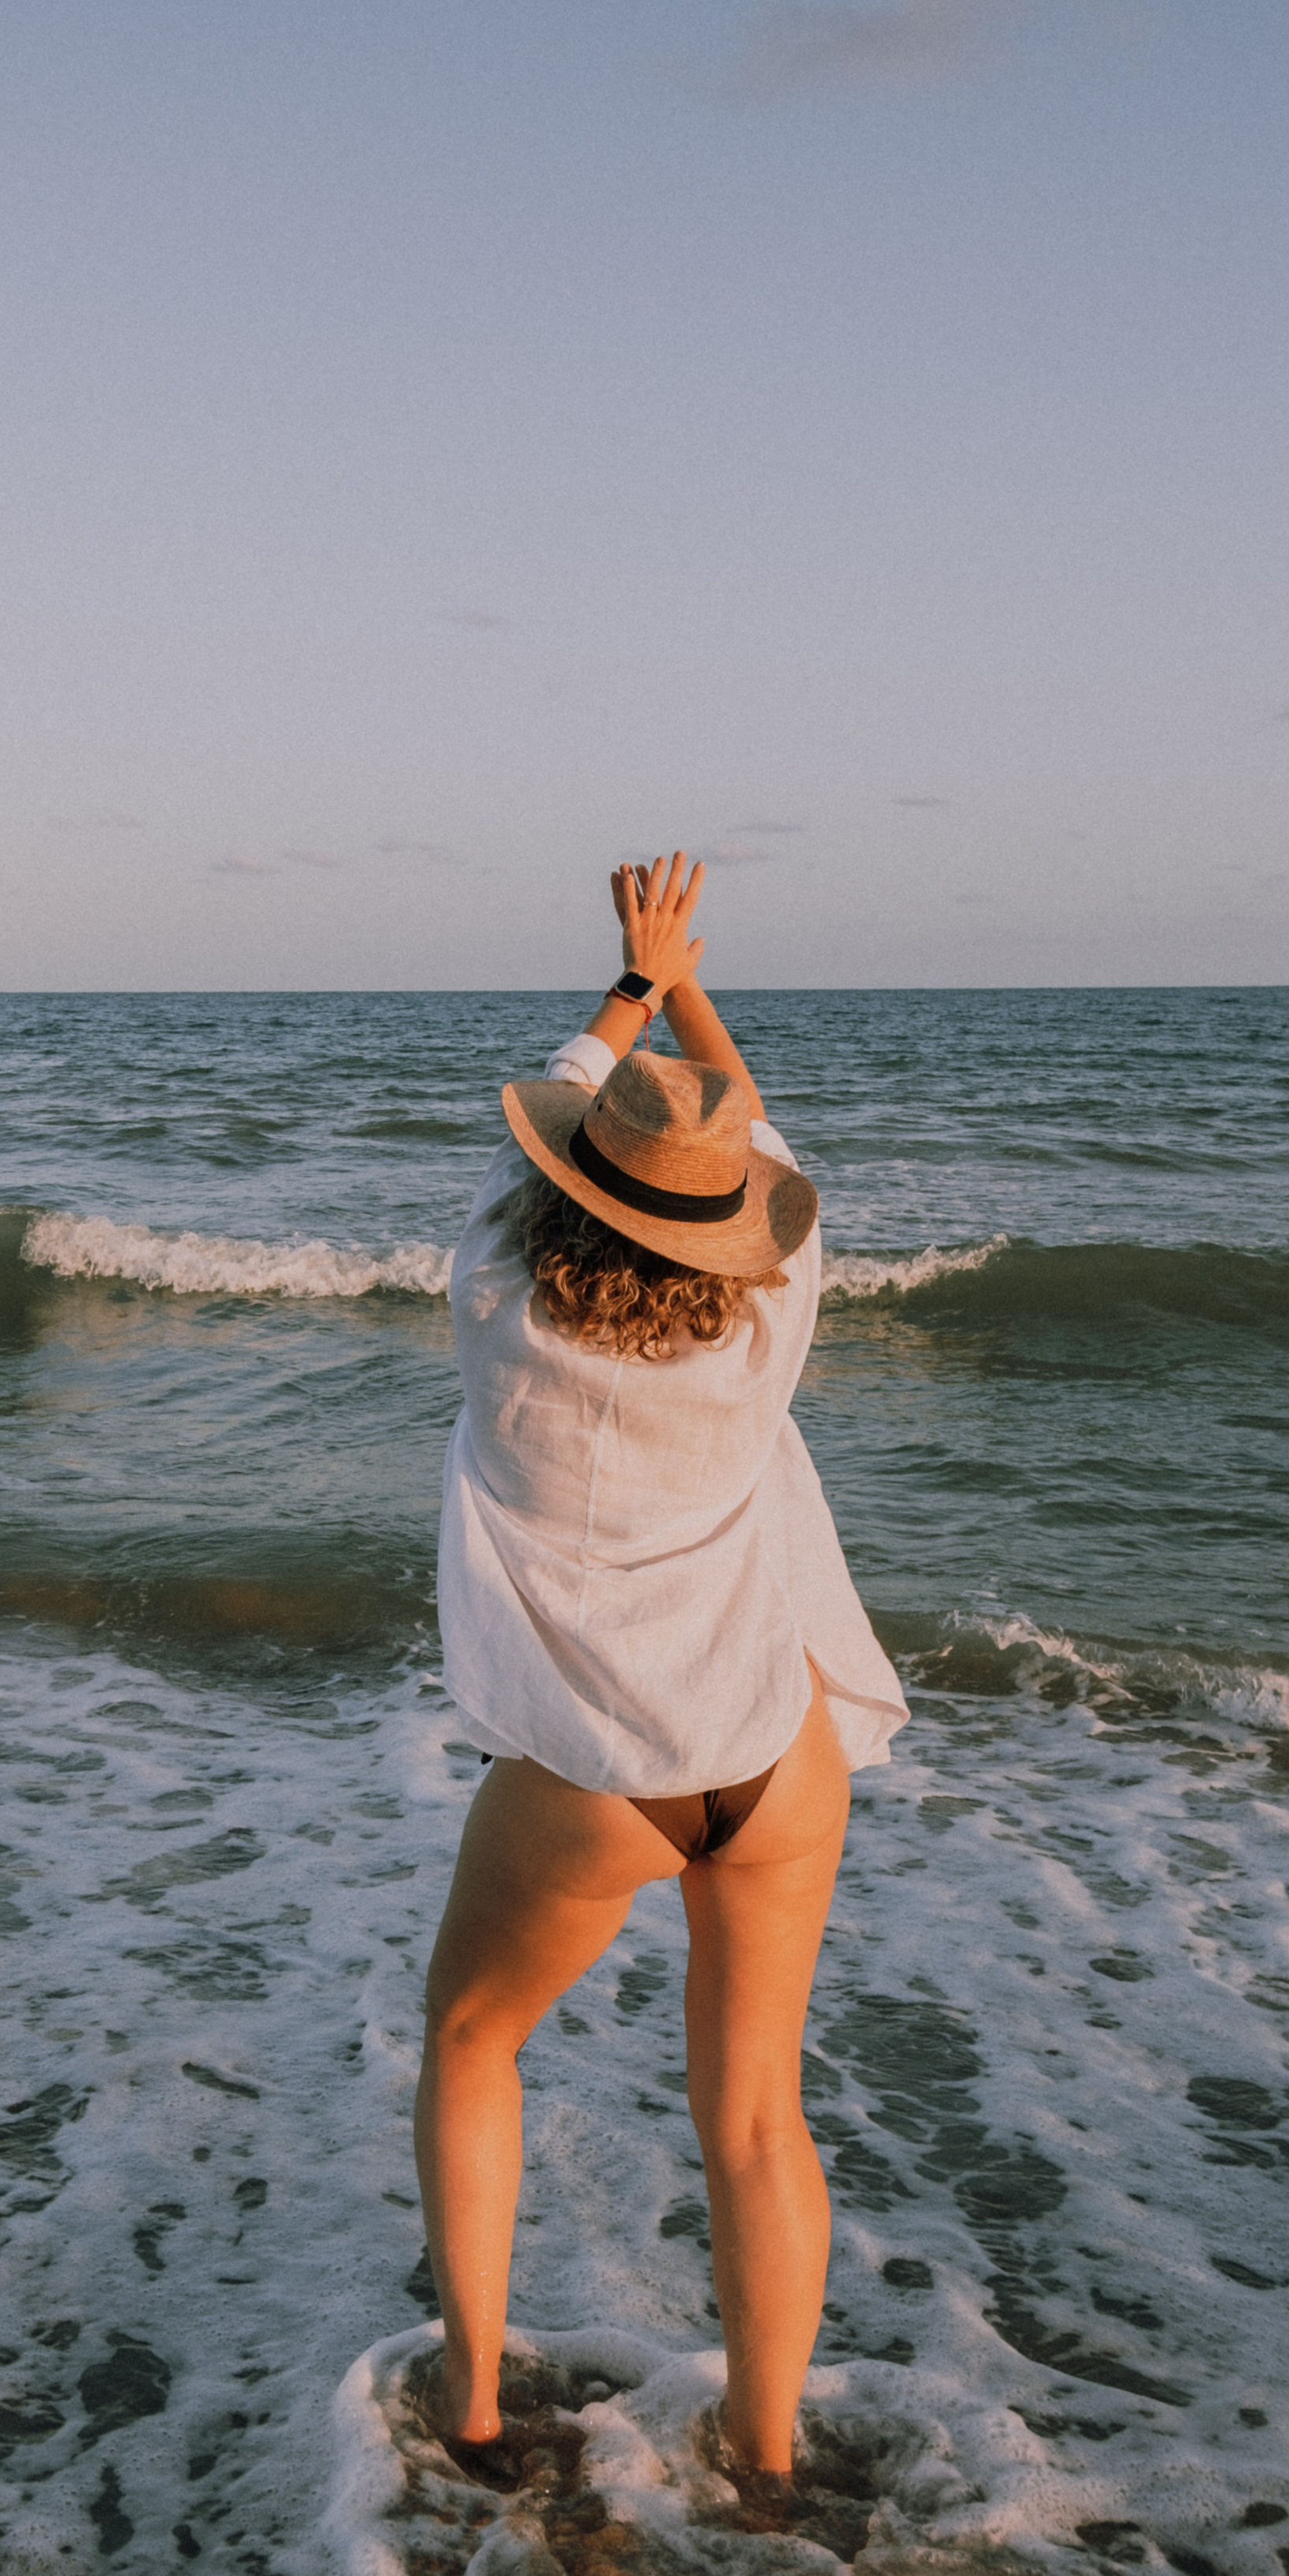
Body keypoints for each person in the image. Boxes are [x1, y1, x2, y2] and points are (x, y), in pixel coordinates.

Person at [414, 853, 910, 2491]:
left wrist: (623, 988)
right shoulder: (771, 1322)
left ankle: (476, 2413)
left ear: (563, 1193)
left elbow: (550, 1114)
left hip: (593, 1785)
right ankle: (766, 2465)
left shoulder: (499, 1301)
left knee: (475, 2043)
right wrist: (689, 988)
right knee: (756, 2121)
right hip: (776, 1756)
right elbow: (743, 1134)